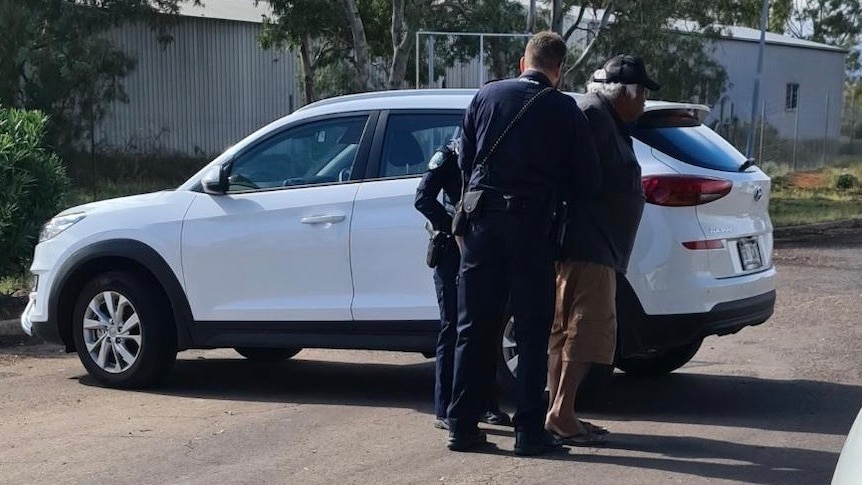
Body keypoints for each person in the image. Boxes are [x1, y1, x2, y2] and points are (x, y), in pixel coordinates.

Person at [446, 31, 601, 456]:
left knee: (472, 327)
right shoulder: (564, 109)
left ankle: (461, 426)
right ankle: (528, 432)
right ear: (560, 69)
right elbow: (588, 181)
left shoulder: (486, 96)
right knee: (531, 330)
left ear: (522, 63)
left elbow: (466, 160)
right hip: (532, 227)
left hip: (482, 226)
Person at [545, 54, 659, 444]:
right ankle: (560, 413)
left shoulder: (606, 117)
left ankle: (561, 411)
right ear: (621, 92)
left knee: (572, 328)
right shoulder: (594, 116)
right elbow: (583, 179)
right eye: (641, 93)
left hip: (596, 244)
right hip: (588, 244)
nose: (644, 101)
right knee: (584, 329)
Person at [414, 137, 512, 431]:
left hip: (484, 250)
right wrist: (454, 225)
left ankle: (485, 404)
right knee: (453, 329)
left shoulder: (493, 154)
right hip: (451, 253)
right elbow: (423, 199)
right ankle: (445, 407)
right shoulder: (450, 154)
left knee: (486, 326)